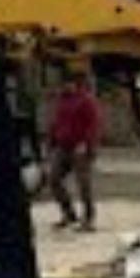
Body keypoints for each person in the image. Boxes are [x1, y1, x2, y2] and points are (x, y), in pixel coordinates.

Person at [44, 71, 104, 232]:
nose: (64, 88)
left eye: (67, 85)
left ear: (75, 85)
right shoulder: (62, 101)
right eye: (62, 85)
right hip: (63, 146)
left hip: (80, 148)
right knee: (53, 179)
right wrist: (50, 141)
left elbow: (94, 124)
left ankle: (89, 219)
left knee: (83, 184)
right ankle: (68, 214)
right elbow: (56, 122)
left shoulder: (86, 101)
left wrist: (87, 143)